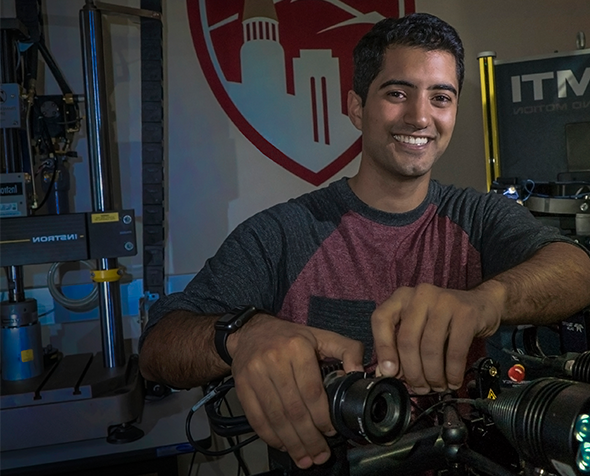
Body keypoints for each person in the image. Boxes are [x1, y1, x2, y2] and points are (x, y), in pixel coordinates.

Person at [139, 12, 590, 471]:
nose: (420, 117)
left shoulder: (478, 217)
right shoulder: (284, 233)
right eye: (397, 93)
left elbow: (576, 269)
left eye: (440, 97)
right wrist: (241, 335)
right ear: (357, 107)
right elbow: (158, 347)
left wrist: (487, 302)